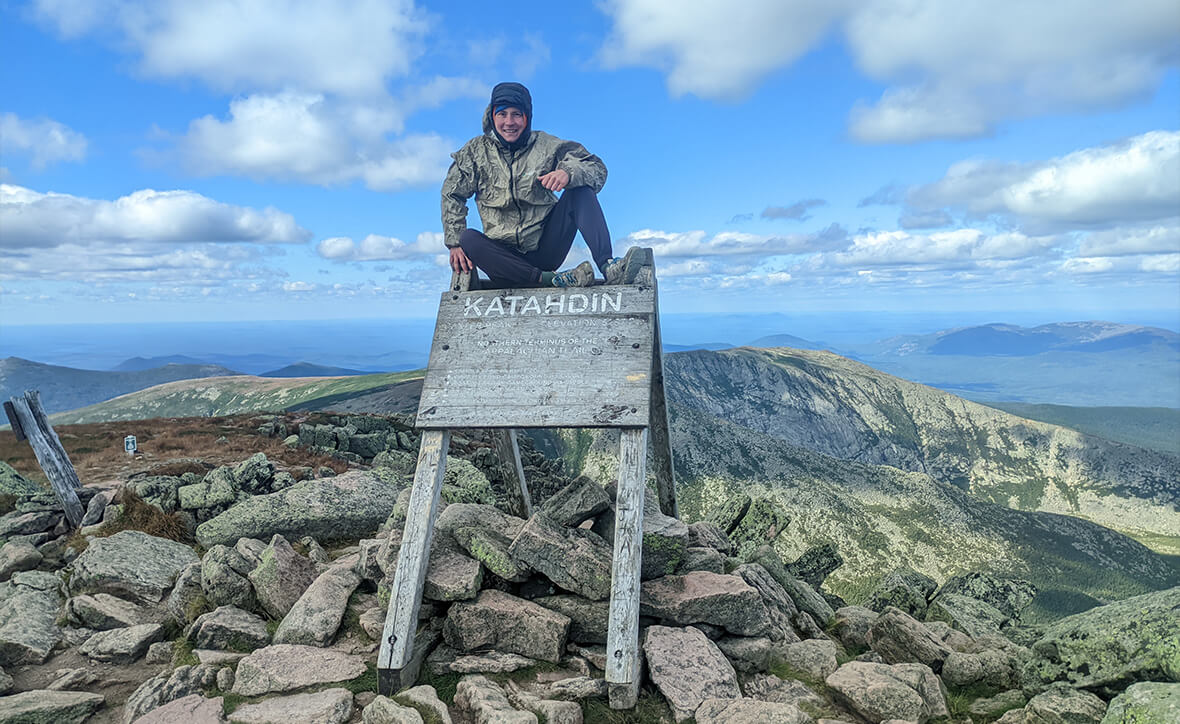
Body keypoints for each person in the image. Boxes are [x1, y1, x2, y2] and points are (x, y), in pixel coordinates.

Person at [441, 82, 640, 288]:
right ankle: (550, 281)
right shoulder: (475, 152)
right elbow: (452, 193)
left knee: (580, 191)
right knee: (468, 239)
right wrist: (454, 242)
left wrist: (568, 173)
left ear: (527, 117)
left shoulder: (546, 145)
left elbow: (595, 167)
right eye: (502, 114)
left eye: (517, 114)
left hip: (546, 250)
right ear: (492, 116)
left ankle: (608, 266)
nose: (509, 122)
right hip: (504, 261)